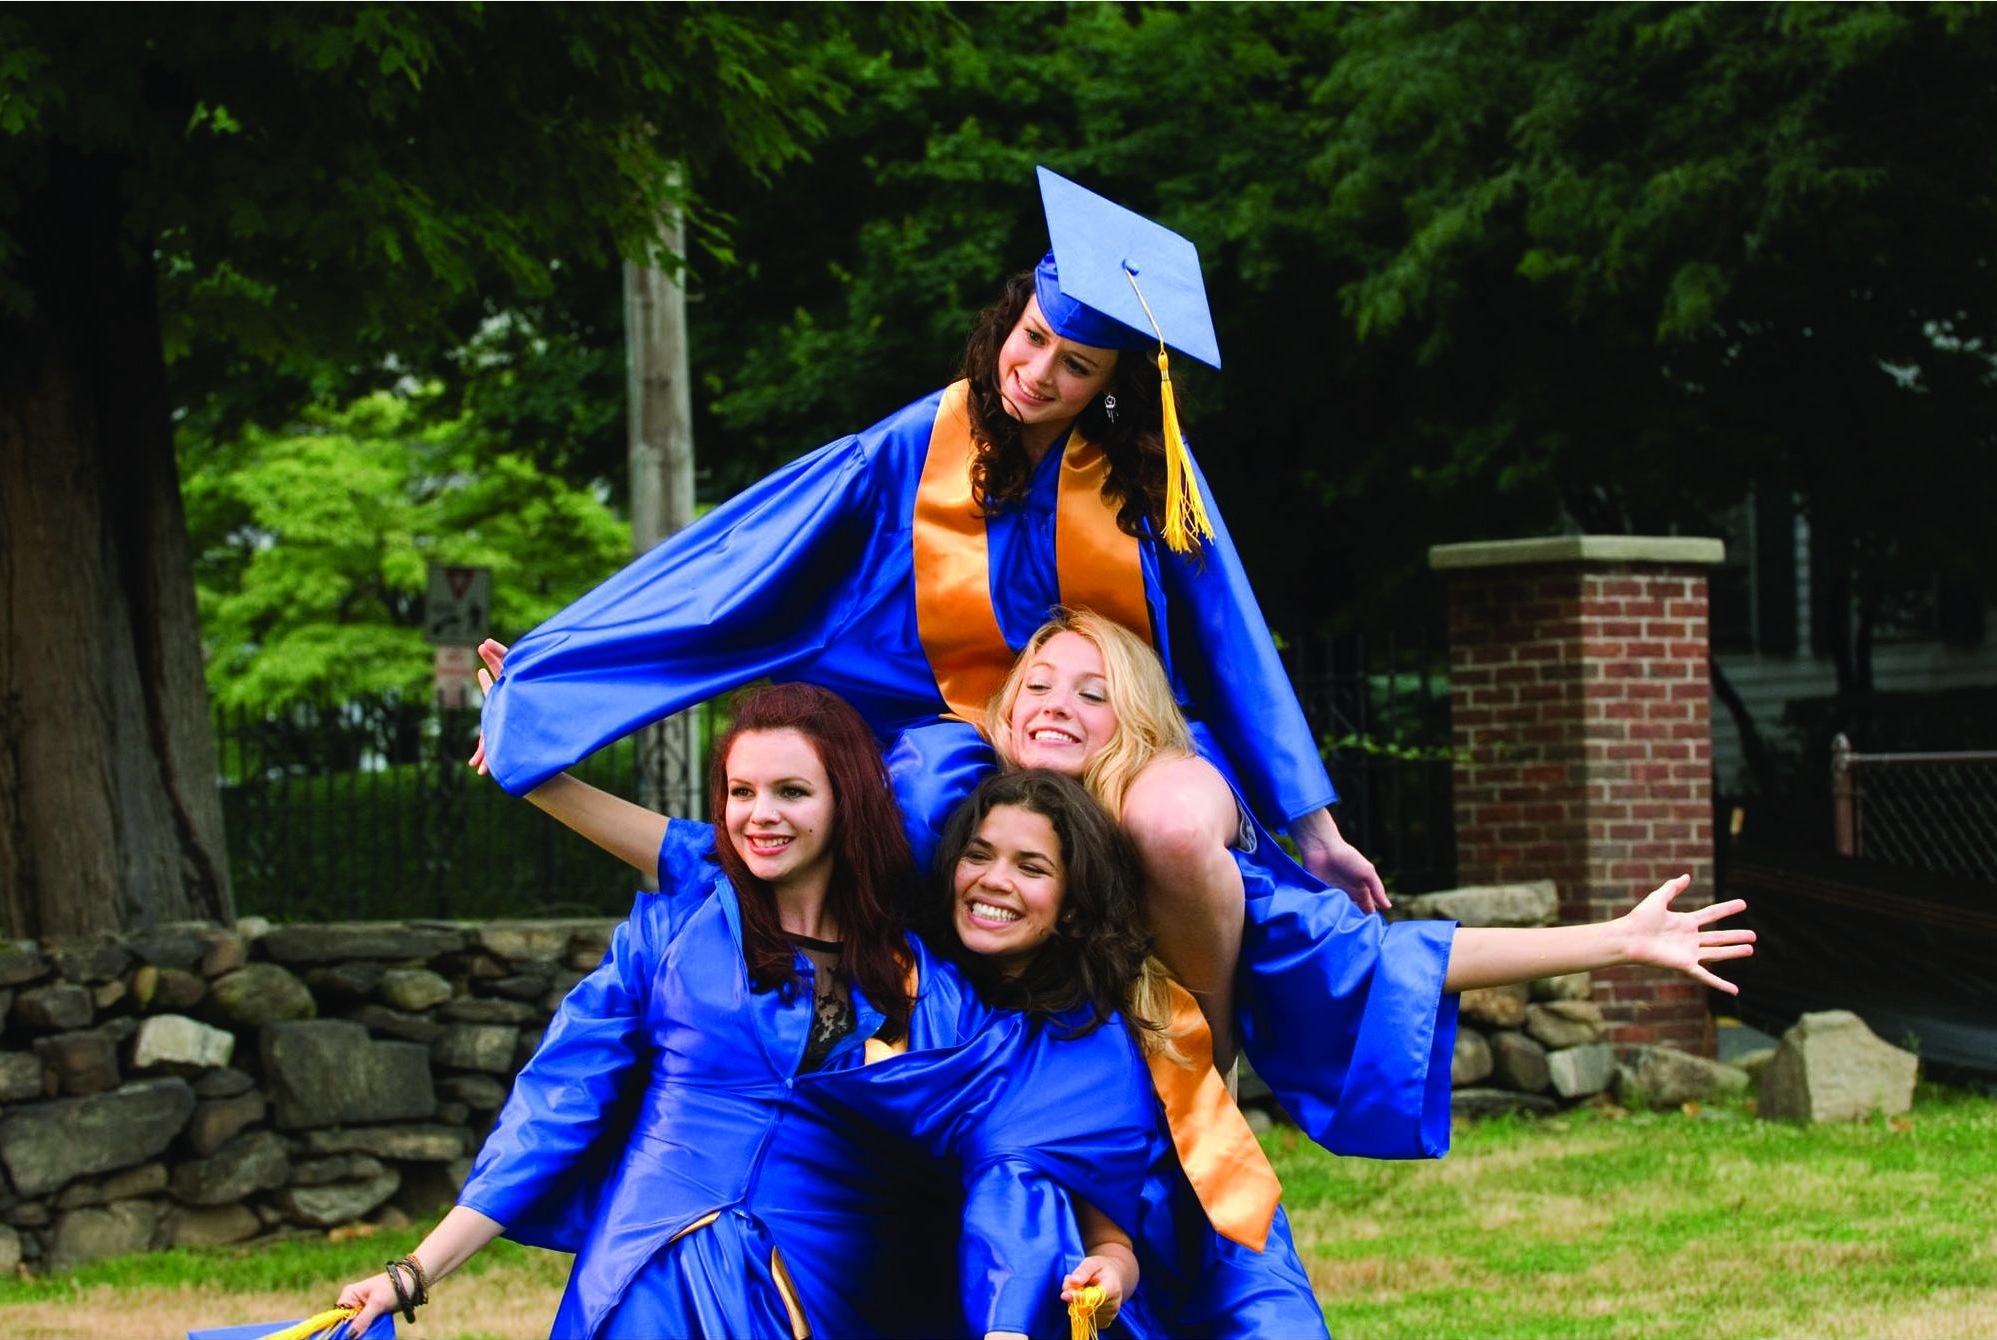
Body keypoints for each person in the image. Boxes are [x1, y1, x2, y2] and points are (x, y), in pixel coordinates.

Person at [472, 166, 1387, 1066]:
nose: (1037, 374)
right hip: (967, 722)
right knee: (907, 808)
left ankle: (1207, 1059)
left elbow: (1231, 641)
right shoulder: (916, 446)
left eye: (1075, 366)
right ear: (1009, 321)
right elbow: (736, 565)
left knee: (1176, 831)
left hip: (1126, 732)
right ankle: (908, 1048)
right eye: (1030, 340)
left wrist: (1317, 831)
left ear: (1110, 382)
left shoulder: (1150, 473)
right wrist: (554, 680)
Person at [983, 606, 1758, 1337]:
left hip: (1188, 1175)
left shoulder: (1191, 869)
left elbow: (1399, 959)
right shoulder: (965, 850)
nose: (1057, 704)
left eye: (1094, 693)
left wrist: (1615, 940)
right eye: (1039, 684)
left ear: (1138, 725)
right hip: (1048, 1194)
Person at [334, 683, 1154, 1340]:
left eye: (791, 791)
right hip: (666, 1274)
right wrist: (413, 1274)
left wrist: (1070, 1285)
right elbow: (554, 1112)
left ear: (847, 801)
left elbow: (1015, 1160)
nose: (760, 814)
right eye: (739, 791)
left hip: (834, 1291)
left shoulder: (925, 980)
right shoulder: (677, 931)